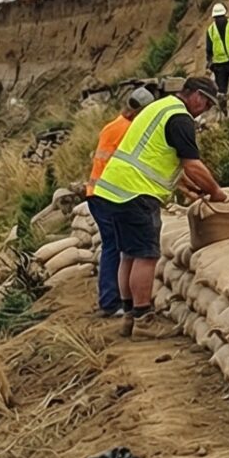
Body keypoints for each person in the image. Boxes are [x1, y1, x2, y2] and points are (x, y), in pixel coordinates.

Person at [89, 75, 227, 336]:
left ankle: (129, 316)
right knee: (146, 255)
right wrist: (216, 193)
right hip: (136, 192)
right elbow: (193, 164)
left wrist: (185, 185)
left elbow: (158, 155)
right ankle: (143, 320)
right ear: (197, 96)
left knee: (128, 254)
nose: (205, 111)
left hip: (114, 190)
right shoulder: (180, 118)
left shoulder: (158, 107)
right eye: (207, 104)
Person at [84, 91, 143, 314]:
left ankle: (116, 297)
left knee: (114, 245)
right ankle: (110, 301)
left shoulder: (112, 126)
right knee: (114, 246)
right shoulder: (128, 130)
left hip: (97, 193)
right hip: (106, 195)